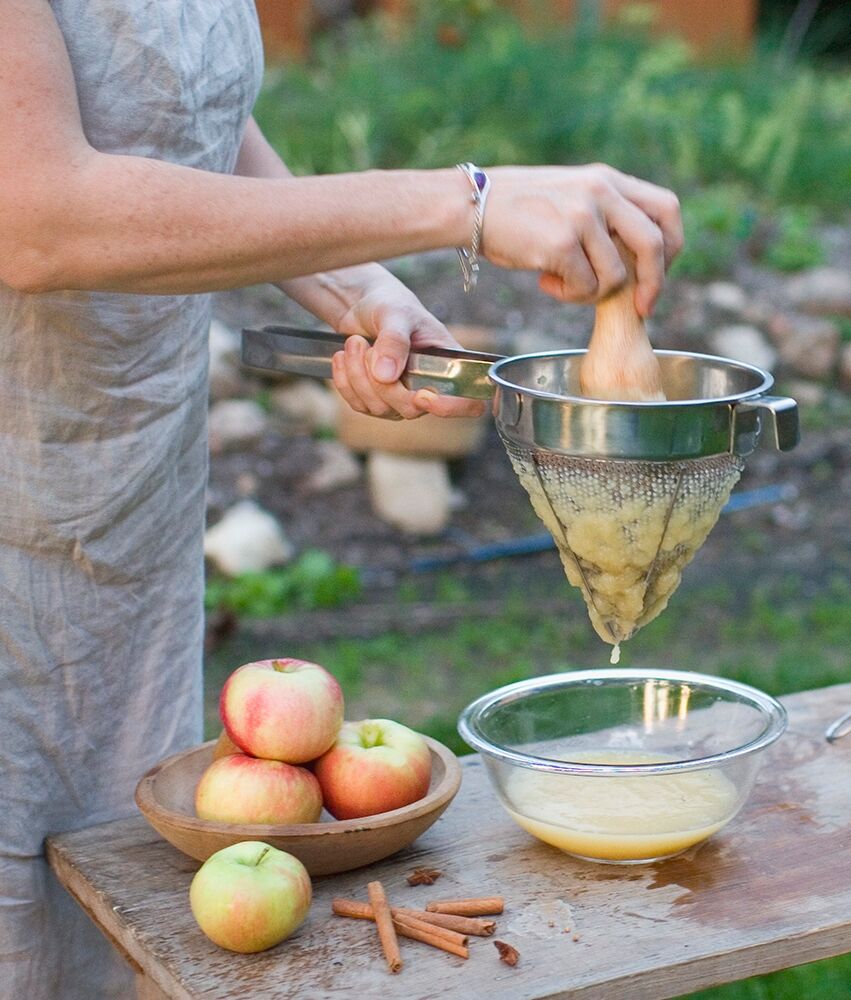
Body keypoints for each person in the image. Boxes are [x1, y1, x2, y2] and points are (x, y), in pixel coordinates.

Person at [0, 1, 684, 995]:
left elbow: (188, 119)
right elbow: (34, 211)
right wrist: (468, 203)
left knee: (117, 903)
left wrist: (354, 291)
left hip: (117, 514)